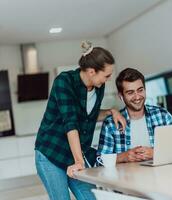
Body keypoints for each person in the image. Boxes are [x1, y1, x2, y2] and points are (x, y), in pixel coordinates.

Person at [35, 41, 126, 200]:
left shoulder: (99, 87)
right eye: (107, 75)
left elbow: (88, 117)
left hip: (75, 154)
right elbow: (71, 123)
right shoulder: (64, 81)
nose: (108, 79)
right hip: (52, 154)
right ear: (92, 71)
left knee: (90, 198)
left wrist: (112, 111)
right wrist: (79, 161)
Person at [97, 68, 172, 163]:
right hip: (126, 177)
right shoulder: (110, 124)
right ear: (121, 96)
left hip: (161, 175)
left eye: (140, 90)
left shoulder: (162, 115)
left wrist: (155, 153)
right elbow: (99, 161)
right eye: (130, 92)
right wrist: (123, 157)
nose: (137, 97)